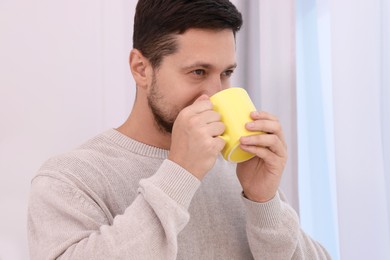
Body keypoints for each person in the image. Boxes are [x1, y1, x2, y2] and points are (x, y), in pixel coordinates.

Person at [27, 0, 331, 259]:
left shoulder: (236, 168)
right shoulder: (69, 179)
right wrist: (180, 173)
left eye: (226, 73)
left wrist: (265, 203)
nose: (214, 93)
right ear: (141, 68)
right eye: (198, 72)